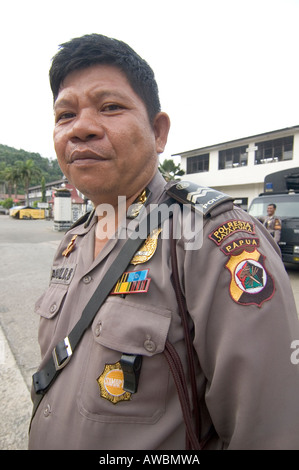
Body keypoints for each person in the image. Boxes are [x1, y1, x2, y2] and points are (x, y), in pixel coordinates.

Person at [28, 33, 299, 450]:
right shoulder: (74, 240)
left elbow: (269, 432)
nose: (80, 128)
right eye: (65, 115)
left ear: (158, 132)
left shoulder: (211, 238)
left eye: (110, 107)